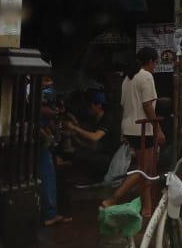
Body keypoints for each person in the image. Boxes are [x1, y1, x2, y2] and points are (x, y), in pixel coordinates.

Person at [103, 48, 163, 207]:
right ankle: (113, 199)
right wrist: (158, 130)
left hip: (129, 128)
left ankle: (147, 207)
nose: (155, 66)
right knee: (144, 170)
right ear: (150, 61)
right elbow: (148, 105)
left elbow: (125, 105)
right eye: (155, 62)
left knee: (146, 172)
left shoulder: (128, 78)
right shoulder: (146, 76)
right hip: (143, 129)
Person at [65, 89, 119, 182]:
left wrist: (74, 128)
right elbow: (91, 145)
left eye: (90, 106)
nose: (88, 109)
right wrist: (73, 136)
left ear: (98, 105)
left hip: (110, 158)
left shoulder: (107, 118)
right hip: (100, 152)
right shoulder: (94, 119)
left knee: (79, 156)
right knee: (72, 153)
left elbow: (95, 137)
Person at [38, 76, 71, 227]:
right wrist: (56, 113)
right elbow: (44, 111)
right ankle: (49, 213)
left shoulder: (44, 92)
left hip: (46, 138)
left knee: (48, 174)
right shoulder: (42, 94)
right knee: (47, 175)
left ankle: (50, 212)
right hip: (42, 139)